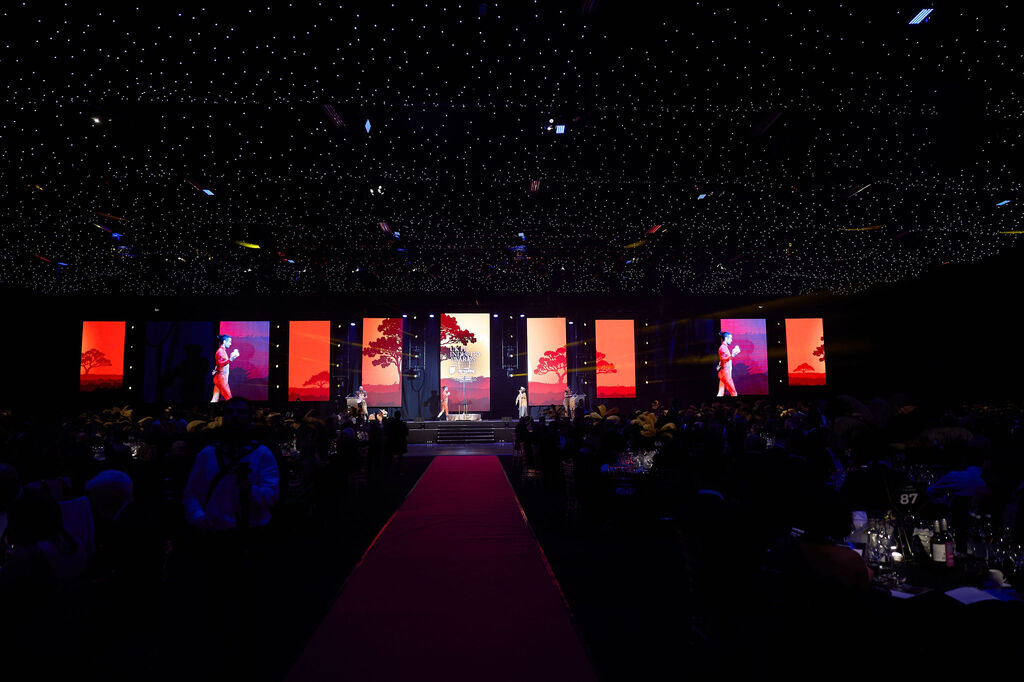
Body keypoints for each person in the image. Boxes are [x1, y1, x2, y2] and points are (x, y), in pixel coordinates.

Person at [183, 398, 279, 533]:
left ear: (249, 417)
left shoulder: (263, 454)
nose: (235, 415)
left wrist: (249, 490)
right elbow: (192, 492)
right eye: (230, 411)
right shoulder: (207, 454)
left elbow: (272, 496)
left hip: (252, 531)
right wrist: (198, 516)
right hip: (212, 529)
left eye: (240, 412)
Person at [211, 334, 240, 403]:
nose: (230, 343)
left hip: (220, 377)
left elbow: (218, 364)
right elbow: (220, 364)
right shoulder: (220, 352)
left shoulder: (222, 351)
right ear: (224, 342)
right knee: (229, 398)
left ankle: (210, 410)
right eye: (229, 342)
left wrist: (215, 370)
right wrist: (230, 359)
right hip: (221, 378)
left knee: (215, 399)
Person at [716, 331, 741, 397]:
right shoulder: (723, 348)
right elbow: (724, 359)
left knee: (720, 393)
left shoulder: (724, 347)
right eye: (730, 338)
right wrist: (732, 355)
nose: (731, 340)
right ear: (726, 338)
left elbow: (722, 360)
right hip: (725, 374)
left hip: (724, 373)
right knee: (734, 392)